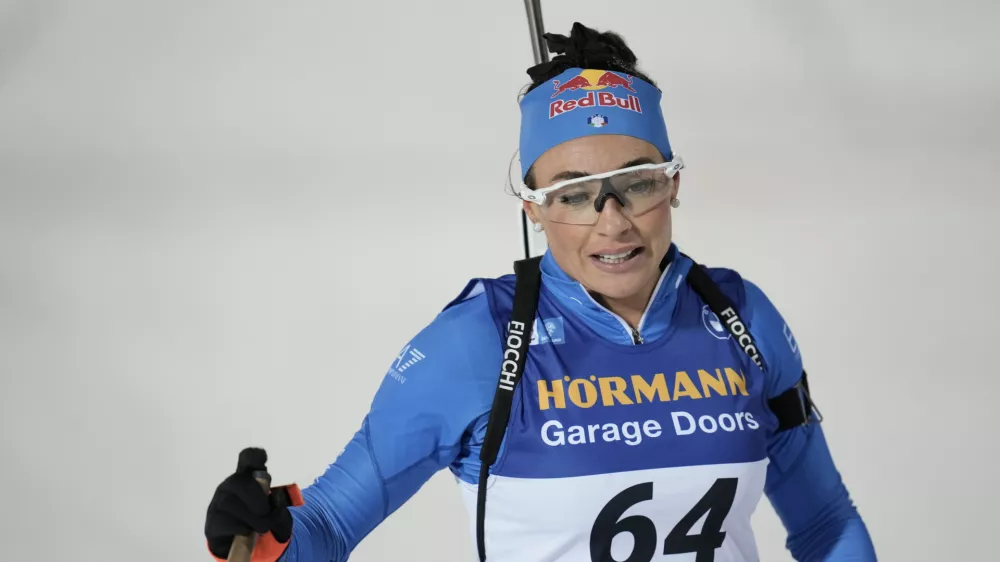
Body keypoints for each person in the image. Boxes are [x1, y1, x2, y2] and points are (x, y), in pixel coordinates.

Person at [204, 22, 877, 562]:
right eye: (574, 195)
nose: (612, 221)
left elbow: (825, 524)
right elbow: (323, 528)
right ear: (531, 207)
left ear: (674, 183)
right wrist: (264, 530)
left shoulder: (740, 319)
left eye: (637, 182)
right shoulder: (478, 343)